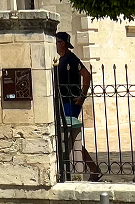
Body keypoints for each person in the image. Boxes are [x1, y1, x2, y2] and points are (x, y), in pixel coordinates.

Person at [56, 32, 101, 181]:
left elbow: (86, 75)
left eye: (57, 42)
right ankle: (90, 168)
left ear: (62, 43)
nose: (55, 45)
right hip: (63, 102)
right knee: (68, 138)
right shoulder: (60, 60)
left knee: (70, 137)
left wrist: (82, 96)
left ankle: (90, 168)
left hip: (71, 103)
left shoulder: (71, 58)